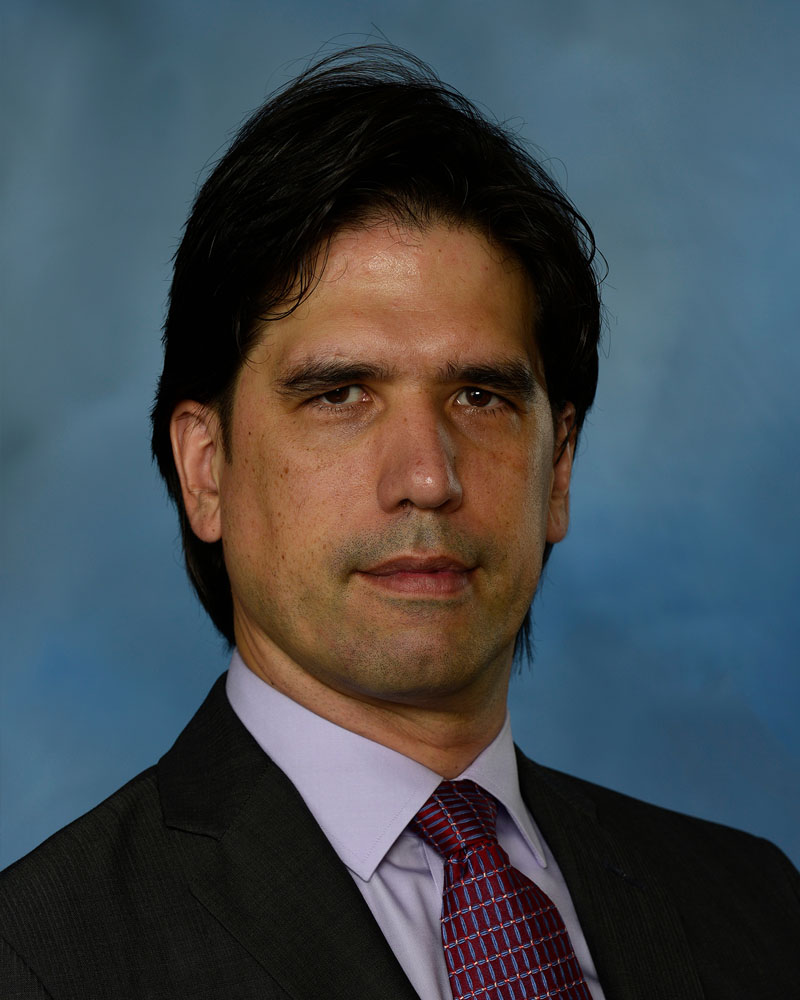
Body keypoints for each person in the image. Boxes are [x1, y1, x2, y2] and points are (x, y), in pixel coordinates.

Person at [1, 45, 798, 1000]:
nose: (427, 477)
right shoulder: (41, 958)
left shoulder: (756, 909)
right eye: (339, 394)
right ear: (205, 469)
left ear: (559, 469)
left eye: (480, 396)